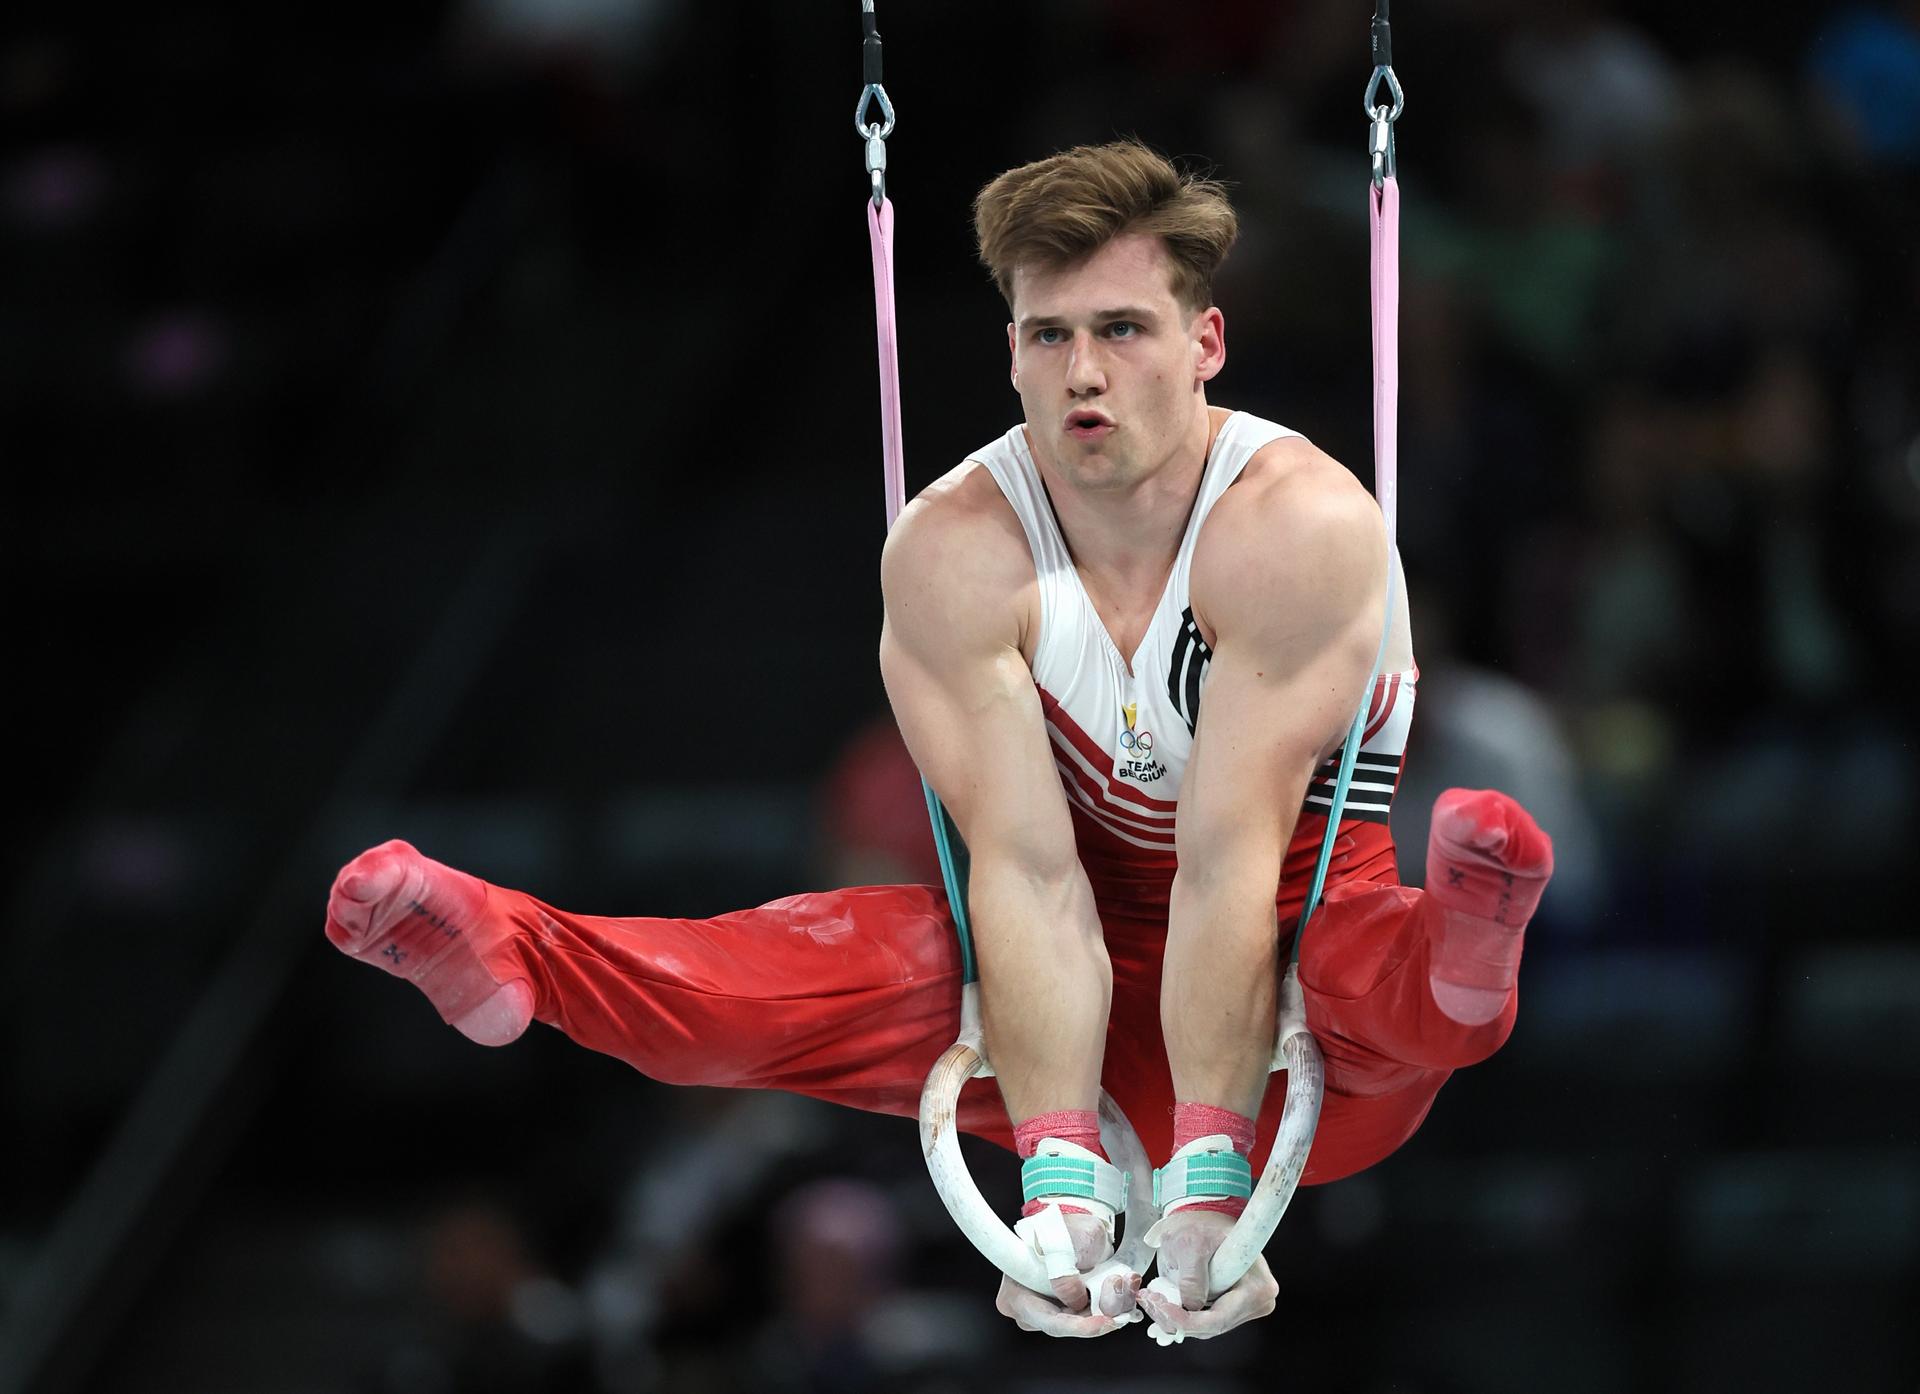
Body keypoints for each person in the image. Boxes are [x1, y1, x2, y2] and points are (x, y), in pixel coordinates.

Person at [323, 140, 1554, 1343]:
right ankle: (519, 956)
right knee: (851, 948)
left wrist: (1213, 1184)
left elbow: (1227, 864)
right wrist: (1063, 1173)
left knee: (1362, 964)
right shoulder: (953, 551)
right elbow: (1024, 870)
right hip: (1048, 994)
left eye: (1123, 328)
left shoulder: (1296, 524)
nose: (1085, 371)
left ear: (1206, 343)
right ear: (1009, 354)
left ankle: (1464, 950)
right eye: (1049, 334)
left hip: (1293, 983)